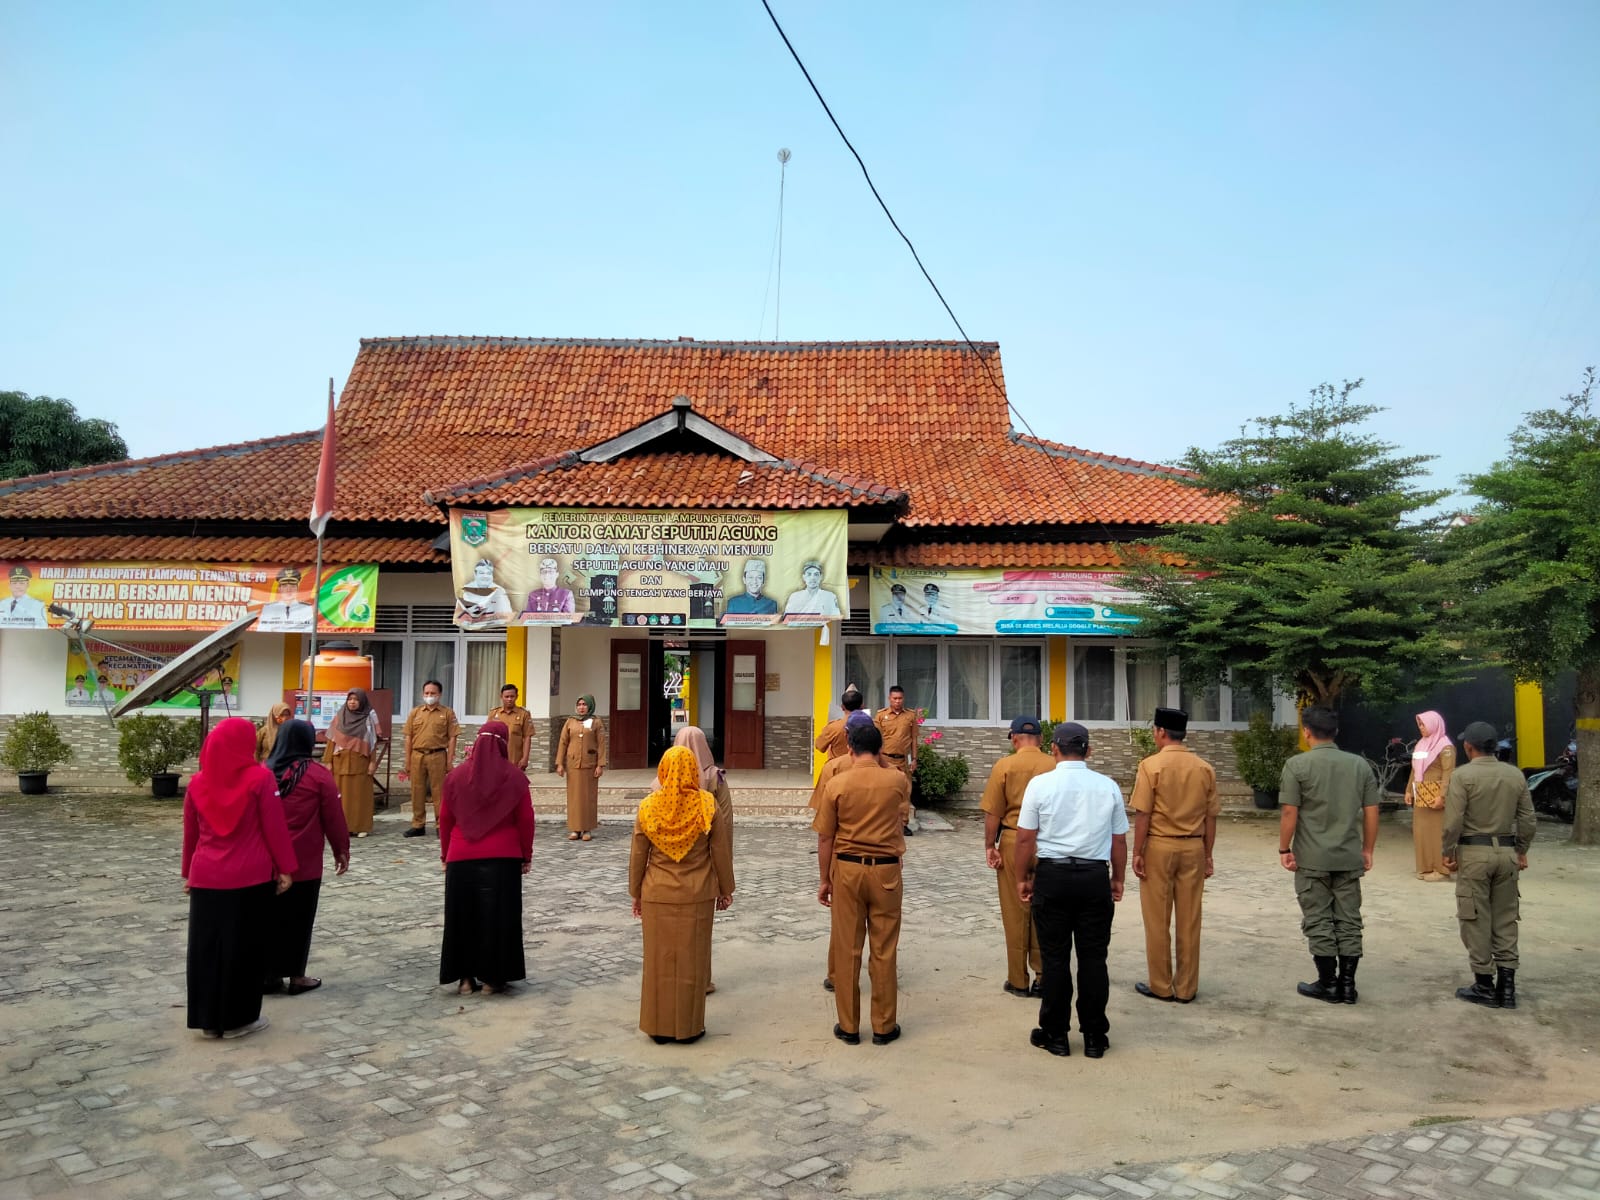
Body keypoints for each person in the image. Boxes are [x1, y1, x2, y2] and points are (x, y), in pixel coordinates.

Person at [1014, 722, 1128, 1059]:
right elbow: (1119, 839)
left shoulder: (1040, 785)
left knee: (1055, 958)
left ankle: (1056, 1034)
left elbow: (1024, 838)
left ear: (1054, 749)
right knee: (1094, 958)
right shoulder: (1108, 786)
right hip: (1094, 876)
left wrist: (1023, 877)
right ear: (1088, 751)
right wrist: (1118, 878)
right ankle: (1094, 1035)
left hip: (1053, 876)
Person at [181, 717, 296, 1040]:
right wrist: (286, 868)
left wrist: (189, 872)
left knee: (206, 949)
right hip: (250, 876)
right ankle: (238, 1020)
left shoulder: (197, 783)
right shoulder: (260, 778)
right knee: (244, 948)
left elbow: (190, 833)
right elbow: (273, 827)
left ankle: (207, 1019)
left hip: (206, 876)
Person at [628, 746, 735, 1043]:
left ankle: (657, 1026)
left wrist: (635, 893)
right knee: (692, 960)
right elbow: (720, 852)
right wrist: (726, 889)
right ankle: (688, 1028)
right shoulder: (707, 805)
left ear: (663, 771)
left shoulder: (648, 806)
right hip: (697, 893)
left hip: (656, 892)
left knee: (658, 961)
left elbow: (638, 855)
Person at [814, 722, 910, 1046]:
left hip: (847, 869)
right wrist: (881, 758)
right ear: (881, 748)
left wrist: (824, 879)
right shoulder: (897, 780)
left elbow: (826, 836)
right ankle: (884, 1027)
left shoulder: (837, 783)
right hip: (886, 872)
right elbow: (900, 810)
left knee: (847, 948)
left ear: (849, 748)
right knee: (884, 950)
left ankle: (849, 1025)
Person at [1278, 705, 1380, 1004]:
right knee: (1349, 918)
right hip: (1349, 855)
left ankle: (1327, 983)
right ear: (1335, 732)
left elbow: (1288, 812)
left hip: (1312, 857)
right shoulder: (1360, 766)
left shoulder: (1297, 766)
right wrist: (1368, 849)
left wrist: (1284, 848)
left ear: (1306, 732)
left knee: (1318, 918)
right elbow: (1372, 812)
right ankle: (1348, 985)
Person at [1442, 721, 1536, 1009]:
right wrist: (1520, 850)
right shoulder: (1515, 775)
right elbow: (1529, 820)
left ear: (1468, 747)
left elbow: (1454, 821)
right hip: (1506, 852)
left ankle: (1484, 984)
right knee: (1506, 917)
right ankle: (1507, 988)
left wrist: (1448, 851)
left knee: (1475, 919)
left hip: (1474, 854)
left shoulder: (1463, 776)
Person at [1129, 706, 1219, 1004]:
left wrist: (1137, 851)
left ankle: (1161, 985)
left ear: (1161, 732)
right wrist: (1207, 854)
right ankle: (1186, 988)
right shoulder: (1204, 768)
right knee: (1190, 918)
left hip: (1159, 845)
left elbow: (1143, 814)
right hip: (1193, 846)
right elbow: (1211, 817)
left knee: (1157, 919)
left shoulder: (1150, 766)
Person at [438, 721, 535, 996]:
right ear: (504, 744)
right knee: (498, 918)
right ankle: (493, 980)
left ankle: (465, 979)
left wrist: (446, 854)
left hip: (461, 856)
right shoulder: (514, 777)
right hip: (502, 858)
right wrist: (526, 855)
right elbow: (526, 819)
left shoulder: (455, 776)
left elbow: (445, 818)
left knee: (462, 917)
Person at [263, 720, 349, 996]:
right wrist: (341, 850)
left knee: (267, 919)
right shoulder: (318, 775)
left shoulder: (262, 772)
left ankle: (267, 975)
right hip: (305, 860)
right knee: (299, 919)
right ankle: (296, 976)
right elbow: (334, 817)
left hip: (266, 860)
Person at [980, 716, 1058, 999]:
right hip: (1049, 842)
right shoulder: (1054, 765)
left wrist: (991, 845)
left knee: (1015, 912)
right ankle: (1043, 976)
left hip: (1014, 840)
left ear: (1014, 738)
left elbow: (993, 812)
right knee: (1044, 910)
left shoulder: (1005, 765)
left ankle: (1018, 979)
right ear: (1040, 738)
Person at [674, 725, 733, 995]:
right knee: (700, 927)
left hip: (668, 866)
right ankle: (702, 979)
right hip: (704, 863)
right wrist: (725, 881)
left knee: (670, 927)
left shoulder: (663, 780)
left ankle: (672, 977)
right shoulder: (715, 779)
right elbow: (726, 828)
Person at [399, 680, 458, 838]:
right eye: (427, 693)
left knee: (439, 792)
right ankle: (418, 824)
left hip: (438, 755)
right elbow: (408, 737)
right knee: (417, 791)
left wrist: (450, 760)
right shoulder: (415, 712)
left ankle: (441, 824)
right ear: (422, 694)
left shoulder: (447, 713)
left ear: (439, 694)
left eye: (433, 693)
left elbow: (452, 738)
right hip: (417, 755)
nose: (429, 696)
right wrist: (408, 761)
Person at [1406, 710, 1455, 881]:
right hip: (1421, 793)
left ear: (1434, 724)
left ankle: (1441, 870)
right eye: (1419, 724)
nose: (1421, 727)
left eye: (1424, 724)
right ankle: (1425, 867)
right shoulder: (1421, 744)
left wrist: (1442, 796)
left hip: (1436, 795)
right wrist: (1408, 791)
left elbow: (1448, 772)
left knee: (1437, 832)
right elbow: (1415, 769)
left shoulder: (1445, 746)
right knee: (1421, 831)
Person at [324, 689, 380, 838]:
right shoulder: (339, 717)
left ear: (362, 701)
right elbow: (331, 740)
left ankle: (361, 826)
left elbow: (372, 742)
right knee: (340, 797)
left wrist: (372, 762)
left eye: (356, 699)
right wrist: (328, 761)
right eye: (350, 699)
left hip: (360, 762)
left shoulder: (367, 718)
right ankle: (342, 827)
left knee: (359, 796)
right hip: (340, 762)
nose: (352, 702)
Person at [556, 694, 606, 841]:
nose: (582, 707)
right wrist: (560, 763)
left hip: (589, 765)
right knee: (574, 798)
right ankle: (575, 829)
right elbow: (563, 742)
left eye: (584, 704)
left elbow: (601, 743)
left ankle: (587, 829)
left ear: (590, 705)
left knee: (588, 797)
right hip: (573, 765)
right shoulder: (570, 722)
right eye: (579, 704)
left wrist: (600, 764)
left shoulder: (596, 722)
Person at [874, 685, 920, 834]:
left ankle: (903, 823)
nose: (897, 701)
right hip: (885, 760)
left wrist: (914, 759)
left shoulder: (910, 716)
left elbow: (914, 739)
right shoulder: (881, 715)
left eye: (900, 698)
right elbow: (876, 739)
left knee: (905, 792)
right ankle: (883, 823)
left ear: (903, 699)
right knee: (884, 792)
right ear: (889, 699)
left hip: (903, 761)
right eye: (895, 698)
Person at [488, 684, 536, 771]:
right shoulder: (494, 713)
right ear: (501, 697)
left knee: (515, 784)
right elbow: (487, 736)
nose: (509, 699)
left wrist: (525, 758)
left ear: (517, 696)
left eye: (512, 696)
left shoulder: (524, 714)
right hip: (496, 760)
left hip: (516, 761)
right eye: (506, 696)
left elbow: (527, 737)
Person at [455, 558, 513, 628]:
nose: (485, 576)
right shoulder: (466, 590)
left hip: (493, 625)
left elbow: (507, 615)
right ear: (475, 574)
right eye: (481, 573)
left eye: (488, 573)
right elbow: (462, 613)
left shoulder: (499, 590)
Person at [814, 685, 865, 761]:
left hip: (838, 769)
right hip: (863, 770)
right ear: (862, 706)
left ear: (842, 707)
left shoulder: (833, 727)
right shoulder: (874, 726)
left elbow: (819, 746)